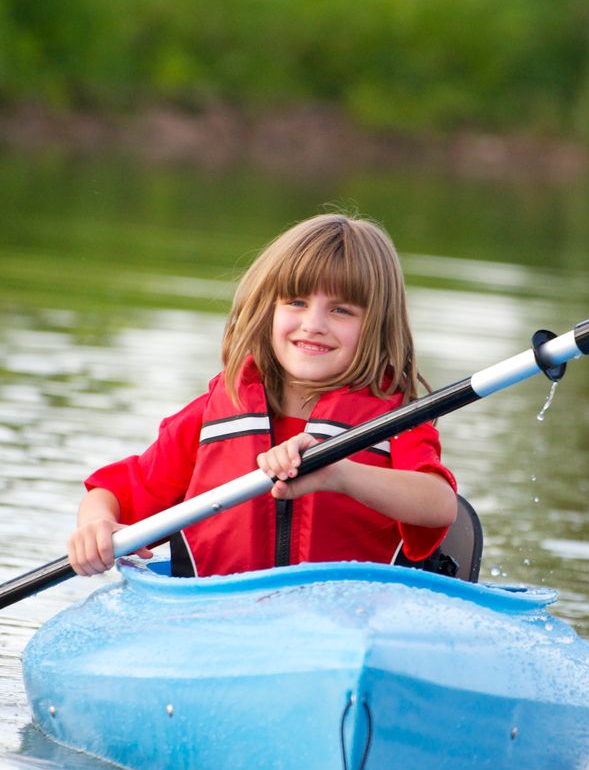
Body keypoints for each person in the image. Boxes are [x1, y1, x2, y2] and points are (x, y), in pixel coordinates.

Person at [67, 213, 458, 578]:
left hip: (346, 617)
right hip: (218, 613)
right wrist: (95, 524)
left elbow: (439, 504)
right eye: (297, 302)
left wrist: (338, 473)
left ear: (376, 325)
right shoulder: (212, 417)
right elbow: (115, 492)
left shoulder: (394, 420)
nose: (314, 325)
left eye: (341, 310)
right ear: (267, 310)